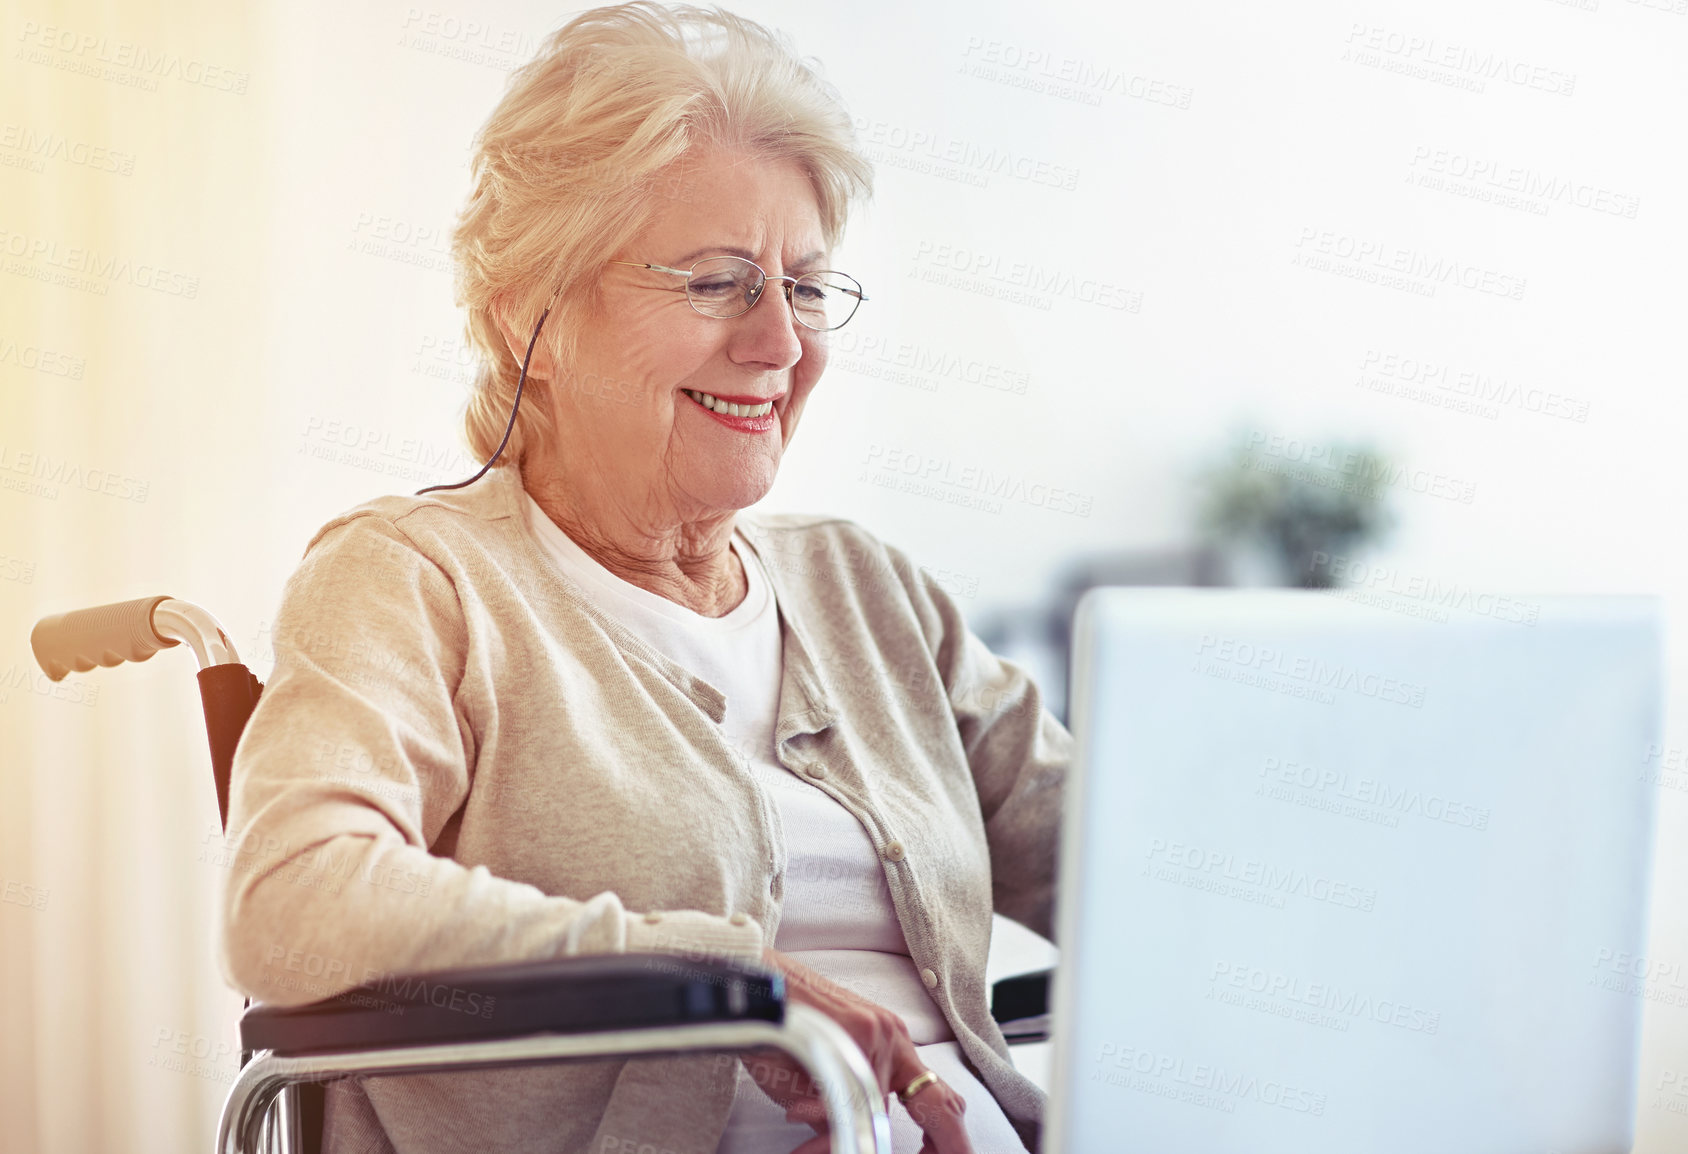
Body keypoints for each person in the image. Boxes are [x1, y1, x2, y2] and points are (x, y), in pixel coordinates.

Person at [219, 4, 1070, 1152]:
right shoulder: (419, 578)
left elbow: (1126, 865)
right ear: (532, 313)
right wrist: (724, 980)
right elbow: (296, 897)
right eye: (719, 282)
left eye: (806, 286)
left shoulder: (867, 592)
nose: (779, 343)